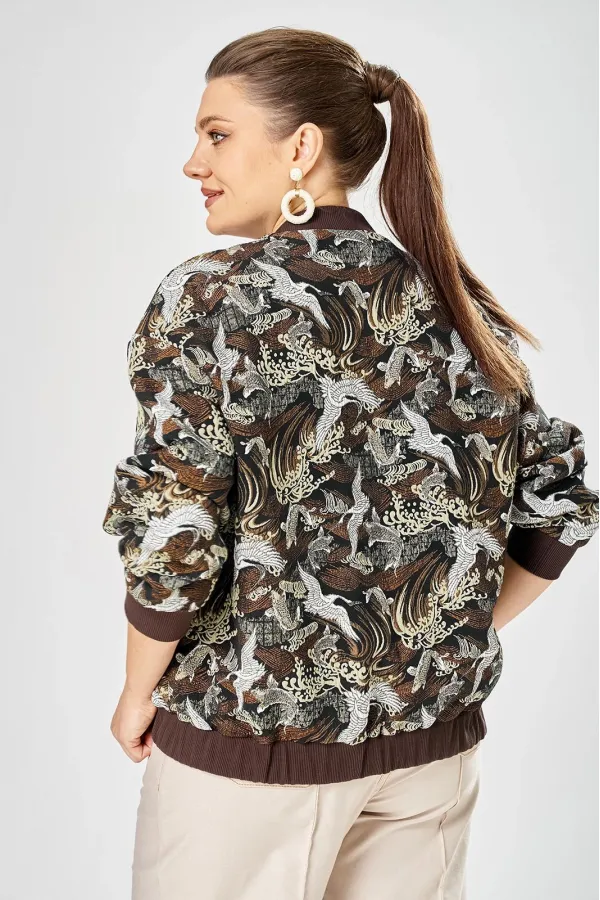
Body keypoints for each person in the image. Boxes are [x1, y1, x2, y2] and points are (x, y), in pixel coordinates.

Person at [101, 26, 599, 900]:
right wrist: (440, 632)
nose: (194, 162)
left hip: (250, 757)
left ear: (300, 147)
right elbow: (558, 498)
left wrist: (138, 688)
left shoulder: (210, 297)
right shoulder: (455, 300)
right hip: (428, 756)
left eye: (217, 134)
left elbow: (175, 531)